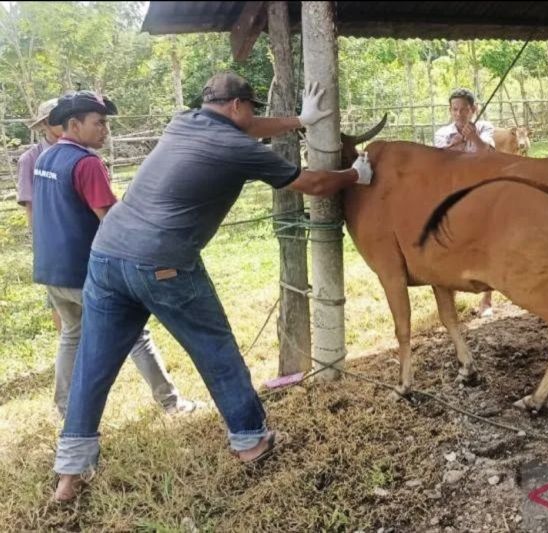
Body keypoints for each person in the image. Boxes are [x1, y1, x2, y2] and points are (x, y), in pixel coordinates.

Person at [52, 72, 374, 501]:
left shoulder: (183, 120)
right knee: (216, 352)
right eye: (252, 108)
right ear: (239, 106)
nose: (253, 117)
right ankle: (250, 442)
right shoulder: (238, 148)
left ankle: (69, 476)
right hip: (164, 264)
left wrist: (299, 119)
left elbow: (247, 125)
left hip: (107, 256)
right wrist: (355, 175)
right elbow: (313, 183)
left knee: (93, 366)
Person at [31, 90, 198, 420]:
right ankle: (171, 403)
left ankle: (65, 408)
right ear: (74, 124)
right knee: (136, 334)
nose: (105, 129)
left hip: (51, 269)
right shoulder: (86, 163)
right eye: (99, 123)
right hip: (84, 270)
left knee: (71, 335)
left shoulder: (45, 158)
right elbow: (110, 219)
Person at [433, 88, 496, 318]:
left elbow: (487, 155)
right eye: (455, 109)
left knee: (486, 244)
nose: (459, 114)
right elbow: (440, 160)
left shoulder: (485, 128)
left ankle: (487, 300)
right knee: (451, 243)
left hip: (482, 193)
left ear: (473, 110)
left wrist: (473, 138)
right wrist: (457, 144)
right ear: (450, 111)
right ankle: (452, 294)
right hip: (452, 193)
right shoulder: (442, 133)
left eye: (464, 109)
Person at [17, 98, 63, 333]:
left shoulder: (82, 150)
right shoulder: (30, 159)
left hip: (83, 235)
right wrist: (42, 242)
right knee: (58, 300)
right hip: (52, 239)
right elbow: (31, 206)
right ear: (45, 124)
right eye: (59, 117)